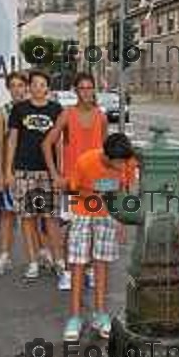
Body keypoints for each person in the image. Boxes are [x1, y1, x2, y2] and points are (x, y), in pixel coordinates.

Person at [63, 133, 137, 341]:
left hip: (108, 214)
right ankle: (75, 317)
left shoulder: (127, 162)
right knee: (78, 264)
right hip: (82, 212)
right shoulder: (86, 161)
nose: (121, 167)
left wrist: (122, 220)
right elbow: (73, 188)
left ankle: (100, 314)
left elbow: (124, 189)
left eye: (124, 162)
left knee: (101, 264)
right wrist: (96, 191)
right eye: (118, 163)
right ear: (107, 156)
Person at [42, 72, 108, 290]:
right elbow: (46, 144)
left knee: (92, 228)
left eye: (90, 88)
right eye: (82, 88)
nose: (87, 92)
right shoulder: (67, 114)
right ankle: (70, 272)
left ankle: (87, 269)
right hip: (72, 181)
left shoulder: (101, 116)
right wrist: (55, 175)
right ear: (76, 91)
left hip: (96, 183)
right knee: (72, 229)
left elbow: (107, 152)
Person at [5, 70, 66, 281]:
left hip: (48, 171)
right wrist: (8, 171)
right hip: (24, 169)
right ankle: (33, 261)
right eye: (35, 84)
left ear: (47, 88)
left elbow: (59, 144)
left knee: (50, 217)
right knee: (28, 218)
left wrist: (60, 171)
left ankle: (58, 260)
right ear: (29, 87)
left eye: (42, 84)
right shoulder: (19, 109)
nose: (38, 88)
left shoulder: (56, 109)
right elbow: (11, 141)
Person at [0, 71, 29, 276]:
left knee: (35, 216)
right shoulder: (2, 112)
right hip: (10, 171)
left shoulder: (33, 110)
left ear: (26, 87)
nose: (17, 89)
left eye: (20, 85)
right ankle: (4, 256)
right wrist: (0, 174)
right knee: (7, 215)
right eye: (13, 85)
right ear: (8, 89)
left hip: (31, 171)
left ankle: (41, 254)